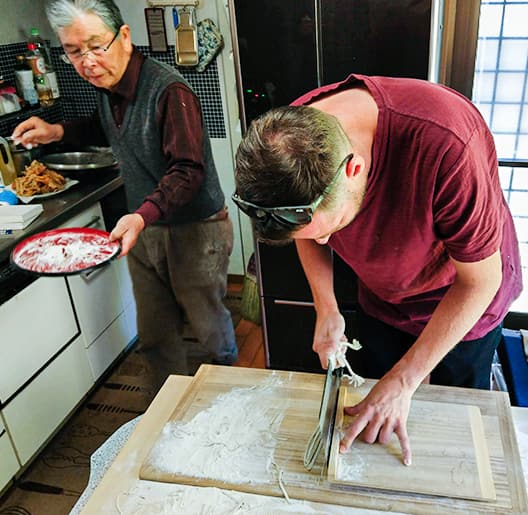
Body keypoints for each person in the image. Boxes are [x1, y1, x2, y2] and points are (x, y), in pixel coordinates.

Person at [233, 74, 522, 466]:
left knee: (454, 433)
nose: (323, 243)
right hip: (383, 295)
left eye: (330, 229)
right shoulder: (291, 140)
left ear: (353, 170)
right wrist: (326, 307)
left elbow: (481, 281)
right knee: (371, 414)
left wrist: (405, 381)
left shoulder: (446, 144)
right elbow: (305, 229)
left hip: (463, 299)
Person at [12, 0, 238, 385]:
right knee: (154, 333)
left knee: (208, 330)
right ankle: (164, 414)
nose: (87, 61)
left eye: (96, 46)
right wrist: (57, 132)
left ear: (125, 37)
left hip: (194, 229)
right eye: (73, 51)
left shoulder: (169, 90)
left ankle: (228, 395)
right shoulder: (108, 86)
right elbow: (107, 128)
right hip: (143, 228)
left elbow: (188, 170)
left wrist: (141, 214)